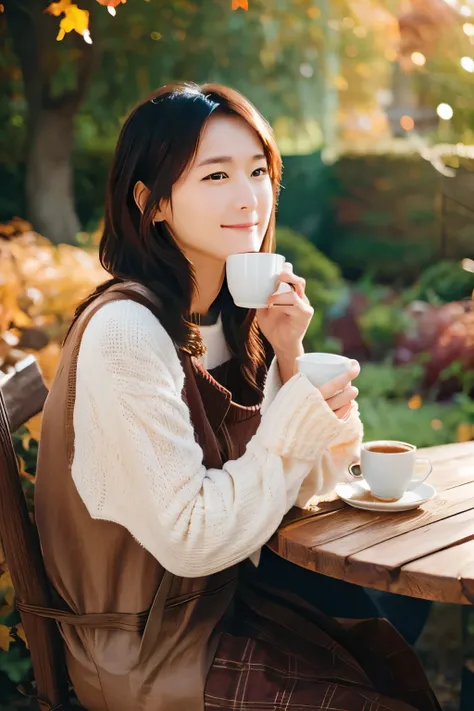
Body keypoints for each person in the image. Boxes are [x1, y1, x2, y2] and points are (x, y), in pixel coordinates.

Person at [34, 82, 439, 711]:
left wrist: (288, 354)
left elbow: (319, 481)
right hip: (150, 648)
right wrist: (297, 406)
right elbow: (192, 536)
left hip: (233, 602)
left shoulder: (228, 316)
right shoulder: (127, 334)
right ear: (152, 203)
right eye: (216, 175)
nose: (249, 197)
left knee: (391, 628)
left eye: (257, 171)